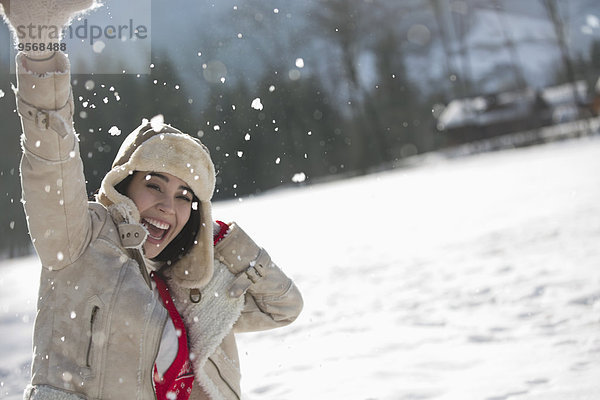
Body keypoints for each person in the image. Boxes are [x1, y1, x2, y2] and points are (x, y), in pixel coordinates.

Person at [0, 1, 303, 399]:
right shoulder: (81, 244)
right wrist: (39, 44)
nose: (168, 206)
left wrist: (224, 243)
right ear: (124, 185)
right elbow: (51, 157)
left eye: (184, 196)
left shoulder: (191, 285)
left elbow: (282, 307)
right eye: (155, 185)